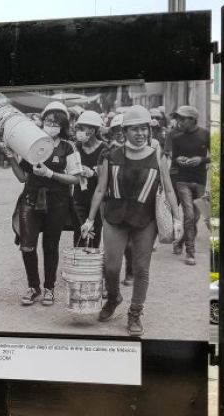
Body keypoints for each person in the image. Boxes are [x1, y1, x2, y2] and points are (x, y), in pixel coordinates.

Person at [81, 105, 184, 336]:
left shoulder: (157, 156)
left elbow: (168, 190)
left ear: (149, 131)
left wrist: (178, 220)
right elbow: (100, 190)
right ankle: (114, 297)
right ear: (124, 131)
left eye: (144, 129)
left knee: (141, 269)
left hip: (145, 220)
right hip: (114, 217)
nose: (140, 134)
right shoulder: (110, 155)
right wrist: (89, 220)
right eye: (134, 129)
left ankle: (135, 312)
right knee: (111, 265)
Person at [14, 101, 82, 307]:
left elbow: (75, 178)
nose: (51, 125)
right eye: (48, 121)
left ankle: (49, 288)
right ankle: (33, 287)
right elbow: (22, 177)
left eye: (56, 122)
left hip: (57, 201)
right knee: (27, 245)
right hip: (30, 199)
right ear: (42, 122)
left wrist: (50, 174)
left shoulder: (67, 147)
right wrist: (10, 159)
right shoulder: (31, 144)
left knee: (51, 246)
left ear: (63, 125)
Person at [167, 105, 210, 265]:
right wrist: (178, 160)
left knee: (196, 217)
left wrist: (201, 160)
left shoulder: (206, 134)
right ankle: (190, 253)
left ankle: (179, 242)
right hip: (182, 180)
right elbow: (174, 159)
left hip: (200, 180)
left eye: (182, 118)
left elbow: (217, 155)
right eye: (177, 118)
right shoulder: (176, 138)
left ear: (192, 119)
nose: (178, 121)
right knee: (189, 215)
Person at [73, 110, 108, 248]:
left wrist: (93, 173)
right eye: (78, 129)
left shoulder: (104, 149)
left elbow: (109, 177)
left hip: (98, 200)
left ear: (92, 130)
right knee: (79, 234)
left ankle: (92, 267)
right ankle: (79, 267)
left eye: (82, 129)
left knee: (95, 235)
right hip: (78, 198)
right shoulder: (75, 147)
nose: (78, 132)